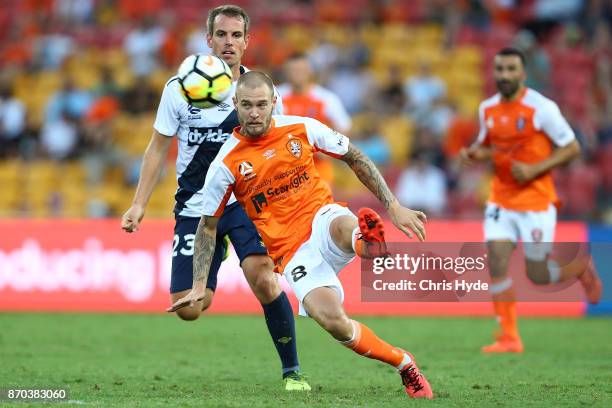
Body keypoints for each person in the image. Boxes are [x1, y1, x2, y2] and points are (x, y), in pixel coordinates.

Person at [169, 71, 434, 399]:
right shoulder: (225, 165)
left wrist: (393, 206)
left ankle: (368, 243)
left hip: (322, 217)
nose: (255, 112)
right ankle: (405, 363)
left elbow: (354, 155)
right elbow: (207, 226)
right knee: (334, 322)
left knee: (341, 225)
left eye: (262, 104)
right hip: (292, 252)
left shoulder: (301, 127)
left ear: (273, 103)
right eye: (247, 105)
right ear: (235, 105)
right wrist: (198, 285)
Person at [120, 5, 310, 391]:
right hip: (194, 204)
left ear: (246, 41)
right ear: (208, 40)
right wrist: (138, 204)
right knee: (189, 308)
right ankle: (215, 254)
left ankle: (292, 372)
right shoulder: (178, 88)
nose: (228, 42)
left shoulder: (260, 93)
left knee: (264, 280)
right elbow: (157, 148)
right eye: (221, 35)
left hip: (245, 203)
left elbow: (277, 152)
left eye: (236, 35)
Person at [460, 47, 602, 353]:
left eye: (511, 69)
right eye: (499, 69)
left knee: (537, 275)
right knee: (496, 261)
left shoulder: (542, 108)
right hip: (501, 199)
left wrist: (535, 169)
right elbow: (487, 145)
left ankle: (579, 268)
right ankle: (509, 336)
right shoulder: (487, 109)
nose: (504, 75)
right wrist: (473, 153)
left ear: (523, 74)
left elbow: (572, 147)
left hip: (536, 201)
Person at [278, 52, 352, 186]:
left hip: (319, 168)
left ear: (310, 71)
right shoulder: (277, 96)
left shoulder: (326, 98)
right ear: (286, 72)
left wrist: (330, 149)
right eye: (293, 70)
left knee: (322, 206)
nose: (297, 74)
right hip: (286, 168)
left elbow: (344, 126)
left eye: (300, 70)